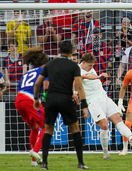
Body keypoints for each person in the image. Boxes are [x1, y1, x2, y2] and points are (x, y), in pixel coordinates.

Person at [33, 41, 89, 169]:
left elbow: (37, 84)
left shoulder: (50, 64)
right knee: (75, 129)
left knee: (48, 131)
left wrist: (36, 98)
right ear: (71, 51)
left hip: (51, 99)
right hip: (65, 99)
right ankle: (80, 163)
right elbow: (79, 86)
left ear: (59, 50)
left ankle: (45, 164)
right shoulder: (73, 66)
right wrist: (84, 105)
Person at [79, 52, 132, 159]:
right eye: (89, 65)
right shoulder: (77, 70)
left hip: (104, 97)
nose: (91, 67)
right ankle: (105, 153)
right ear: (83, 62)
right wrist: (98, 76)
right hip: (93, 102)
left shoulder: (89, 67)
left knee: (118, 120)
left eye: (92, 65)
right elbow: (86, 76)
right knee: (104, 125)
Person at [14, 47, 49, 166]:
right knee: (46, 127)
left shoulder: (27, 73)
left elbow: (20, 88)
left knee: (34, 128)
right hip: (30, 100)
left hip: (19, 100)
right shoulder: (43, 71)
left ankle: (33, 161)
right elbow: (46, 87)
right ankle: (35, 151)